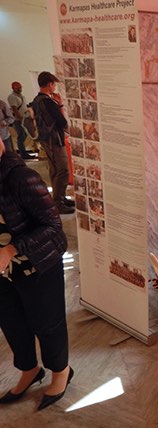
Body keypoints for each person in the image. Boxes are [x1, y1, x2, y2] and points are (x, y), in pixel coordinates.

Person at [0, 139, 73, 411]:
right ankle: (30, 370)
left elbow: (54, 228)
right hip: (4, 271)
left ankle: (60, 372)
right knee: (12, 323)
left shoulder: (22, 178)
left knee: (47, 323)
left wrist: (12, 248)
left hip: (38, 264)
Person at [31, 71, 74, 214]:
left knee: (55, 170)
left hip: (46, 139)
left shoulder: (36, 100)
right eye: (53, 84)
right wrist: (60, 105)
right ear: (49, 85)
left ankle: (59, 198)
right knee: (63, 170)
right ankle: (58, 202)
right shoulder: (48, 102)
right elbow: (62, 122)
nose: (54, 87)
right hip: (54, 140)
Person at [7, 82, 34, 159]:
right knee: (21, 136)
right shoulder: (12, 97)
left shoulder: (21, 96)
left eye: (20, 87)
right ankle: (23, 154)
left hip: (25, 118)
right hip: (19, 120)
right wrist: (20, 118)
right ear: (13, 88)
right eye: (18, 88)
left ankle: (23, 153)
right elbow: (14, 109)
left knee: (24, 135)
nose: (20, 89)